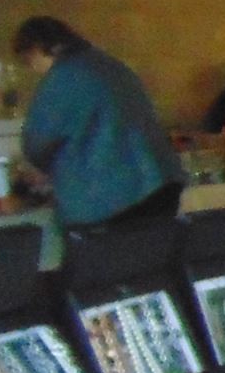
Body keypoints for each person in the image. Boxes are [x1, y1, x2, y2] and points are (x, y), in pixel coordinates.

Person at [13, 15, 186, 227]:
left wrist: (40, 170)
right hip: (162, 184)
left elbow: (37, 143)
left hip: (110, 197)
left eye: (29, 61)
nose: (33, 69)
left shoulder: (63, 77)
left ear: (37, 48)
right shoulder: (112, 66)